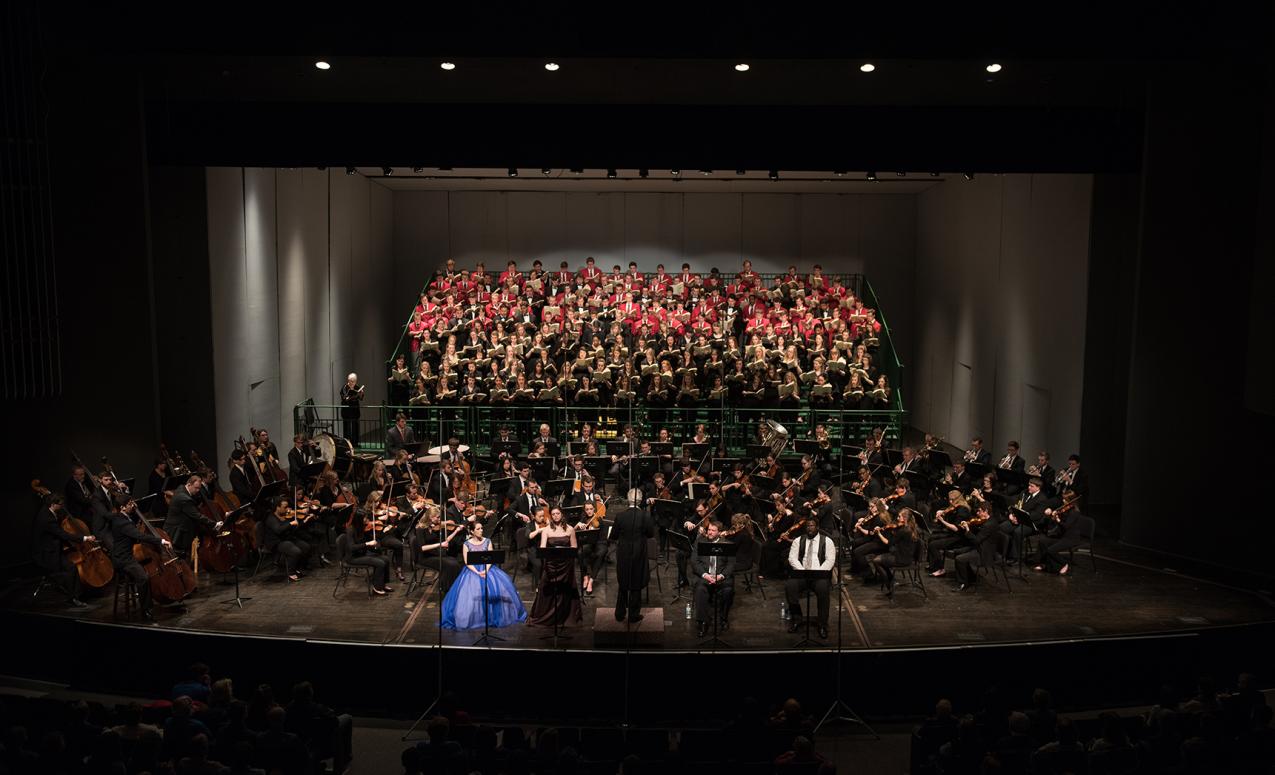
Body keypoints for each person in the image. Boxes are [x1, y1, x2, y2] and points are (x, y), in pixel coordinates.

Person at [441, 521, 526, 629]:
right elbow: (467, 562)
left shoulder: (488, 541)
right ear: (472, 531)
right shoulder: (466, 544)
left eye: (481, 528)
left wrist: (485, 570)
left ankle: (492, 616)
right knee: (472, 594)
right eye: (478, 529)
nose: (481, 530)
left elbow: (490, 558)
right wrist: (477, 572)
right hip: (473, 570)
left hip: (488, 568)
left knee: (499, 590)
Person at [110, 498, 170, 620]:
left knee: (148, 571)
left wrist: (136, 510)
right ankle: (146, 610)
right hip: (123, 559)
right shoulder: (121, 522)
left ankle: (148, 601)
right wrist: (161, 540)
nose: (133, 506)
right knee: (143, 578)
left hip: (129, 555)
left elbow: (135, 526)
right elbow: (139, 535)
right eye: (129, 504)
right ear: (122, 507)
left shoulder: (124, 517)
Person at [31, 493, 95, 608]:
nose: (62, 507)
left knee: (71, 567)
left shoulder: (48, 511)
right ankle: (73, 598)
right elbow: (63, 534)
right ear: (53, 505)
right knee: (71, 569)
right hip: (47, 554)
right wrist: (85, 538)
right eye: (60, 505)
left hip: (53, 547)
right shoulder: (46, 519)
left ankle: (75, 594)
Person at [528, 507, 582, 627]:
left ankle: (565, 615)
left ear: (562, 514)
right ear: (551, 516)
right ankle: (547, 616)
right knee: (547, 589)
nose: (556, 516)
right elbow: (542, 549)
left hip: (566, 565)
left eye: (558, 513)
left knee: (565, 590)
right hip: (551, 565)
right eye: (553, 514)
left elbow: (574, 548)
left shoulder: (570, 529)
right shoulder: (546, 530)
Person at [784, 518, 835, 639]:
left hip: (819, 575)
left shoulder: (827, 541)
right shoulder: (798, 540)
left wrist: (819, 572)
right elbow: (792, 558)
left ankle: (822, 624)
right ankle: (797, 619)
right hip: (802, 573)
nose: (809, 528)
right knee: (790, 587)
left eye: (812, 526)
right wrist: (802, 571)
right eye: (807, 526)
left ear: (817, 527)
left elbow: (830, 560)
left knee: (823, 590)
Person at [611, 488, 656, 623]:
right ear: (640, 500)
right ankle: (633, 615)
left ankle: (619, 613)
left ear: (627, 499)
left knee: (623, 582)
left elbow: (613, 536)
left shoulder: (620, 516)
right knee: (636, 583)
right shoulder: (645, 516)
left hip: (623, 553)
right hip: (639, 553)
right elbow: (650, 534)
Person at [691, 520, 736, 637]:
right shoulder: (699, 542)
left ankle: (723, 619)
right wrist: (705, 575)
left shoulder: (727, 544)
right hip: (705, 576)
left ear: (719, 532)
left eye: (713, 530)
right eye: (709, 530)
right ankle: (703, 621)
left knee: (728, 590)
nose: (709, 532)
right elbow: (694, 562)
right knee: (700, 589)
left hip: (720, 576)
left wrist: (720, 576)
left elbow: (731, 565)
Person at [164, 475, 222, 559]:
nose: (198, 491)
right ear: (189, 485)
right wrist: (214, 524)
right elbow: (197, 516)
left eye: (199, 488)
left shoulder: (181, 488)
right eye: (196, 488)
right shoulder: (184, 498)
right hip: (177, 532)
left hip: (177, 526)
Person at [263, 497, 312, 582]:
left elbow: (293, 529)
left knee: (305, 547)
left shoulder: (285, 516)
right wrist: (290, 523)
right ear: (277, 507)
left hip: (286, 539)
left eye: (287, 506)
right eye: (284, 507)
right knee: (295, 551)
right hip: (276, 542)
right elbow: (278, 530)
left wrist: (305, 521)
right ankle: (291, 573)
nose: (287, 509)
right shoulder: (271, 518)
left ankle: (296, 567)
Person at [340, 372, 364, 445]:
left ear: (356, 381)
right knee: (346, 427)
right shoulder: (344, 387)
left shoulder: (357, 387)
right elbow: (344, 398)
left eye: (354, 381)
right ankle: (347, 443)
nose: (352, 383)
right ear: (348, 380)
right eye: (351, 381)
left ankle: (355, 443)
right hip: (346, 411)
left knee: (355, 426)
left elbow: (361, 398)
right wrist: (354, 396)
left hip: (355, 410)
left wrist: (361, 394)